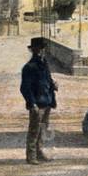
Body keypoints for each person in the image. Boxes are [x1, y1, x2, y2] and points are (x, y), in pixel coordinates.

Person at [20, 36, 58, 164]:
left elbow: (47, 79)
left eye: (43, 48)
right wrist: (32, 104)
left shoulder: (44, 64)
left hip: (47, 101)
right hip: (37, 104)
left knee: (42, 129)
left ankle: (39, 152)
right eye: (40, 48)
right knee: (34, 130)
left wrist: (53, 84)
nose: (42, 51)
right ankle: (31, 156)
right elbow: (25, 88)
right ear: (34, 50)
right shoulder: (29, 67)